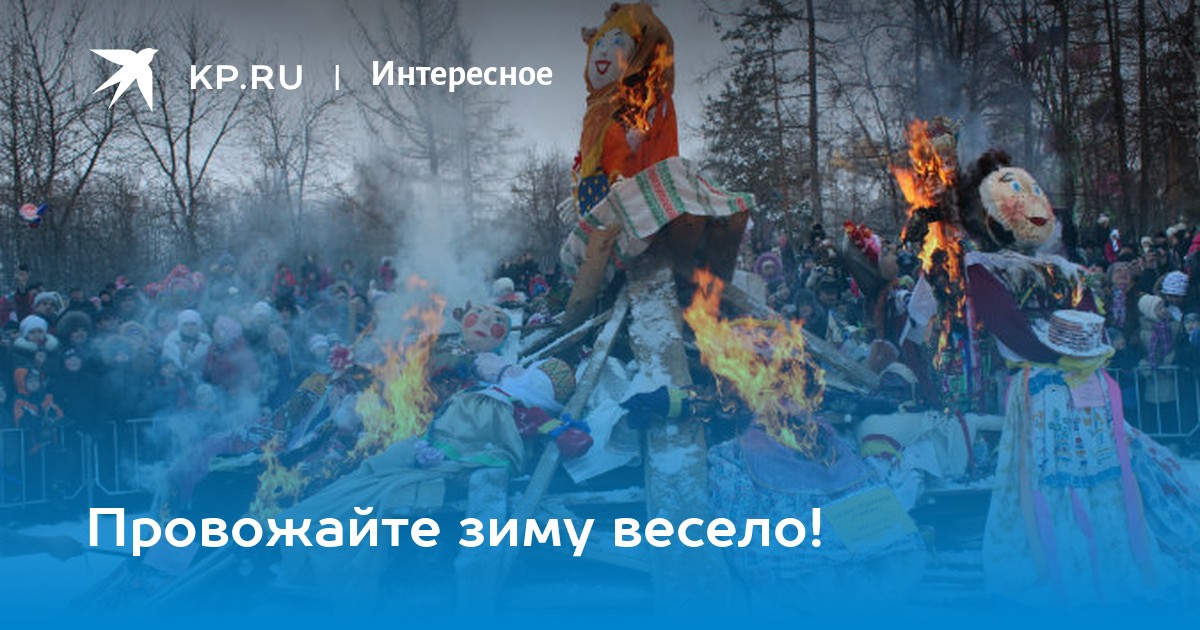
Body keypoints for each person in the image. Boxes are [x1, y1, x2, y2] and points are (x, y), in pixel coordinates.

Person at [958, 150, 1200, 603]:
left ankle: (1106, 550)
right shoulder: (985, 267)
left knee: (1103, 473)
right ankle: (1063, 554)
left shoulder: (1062, 268)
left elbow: (1088, 314)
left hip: (1082, 383)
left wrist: (1080, 346)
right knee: (1050, 477)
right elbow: (1009, 326)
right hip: (1045, 387)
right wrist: (1067, 351)